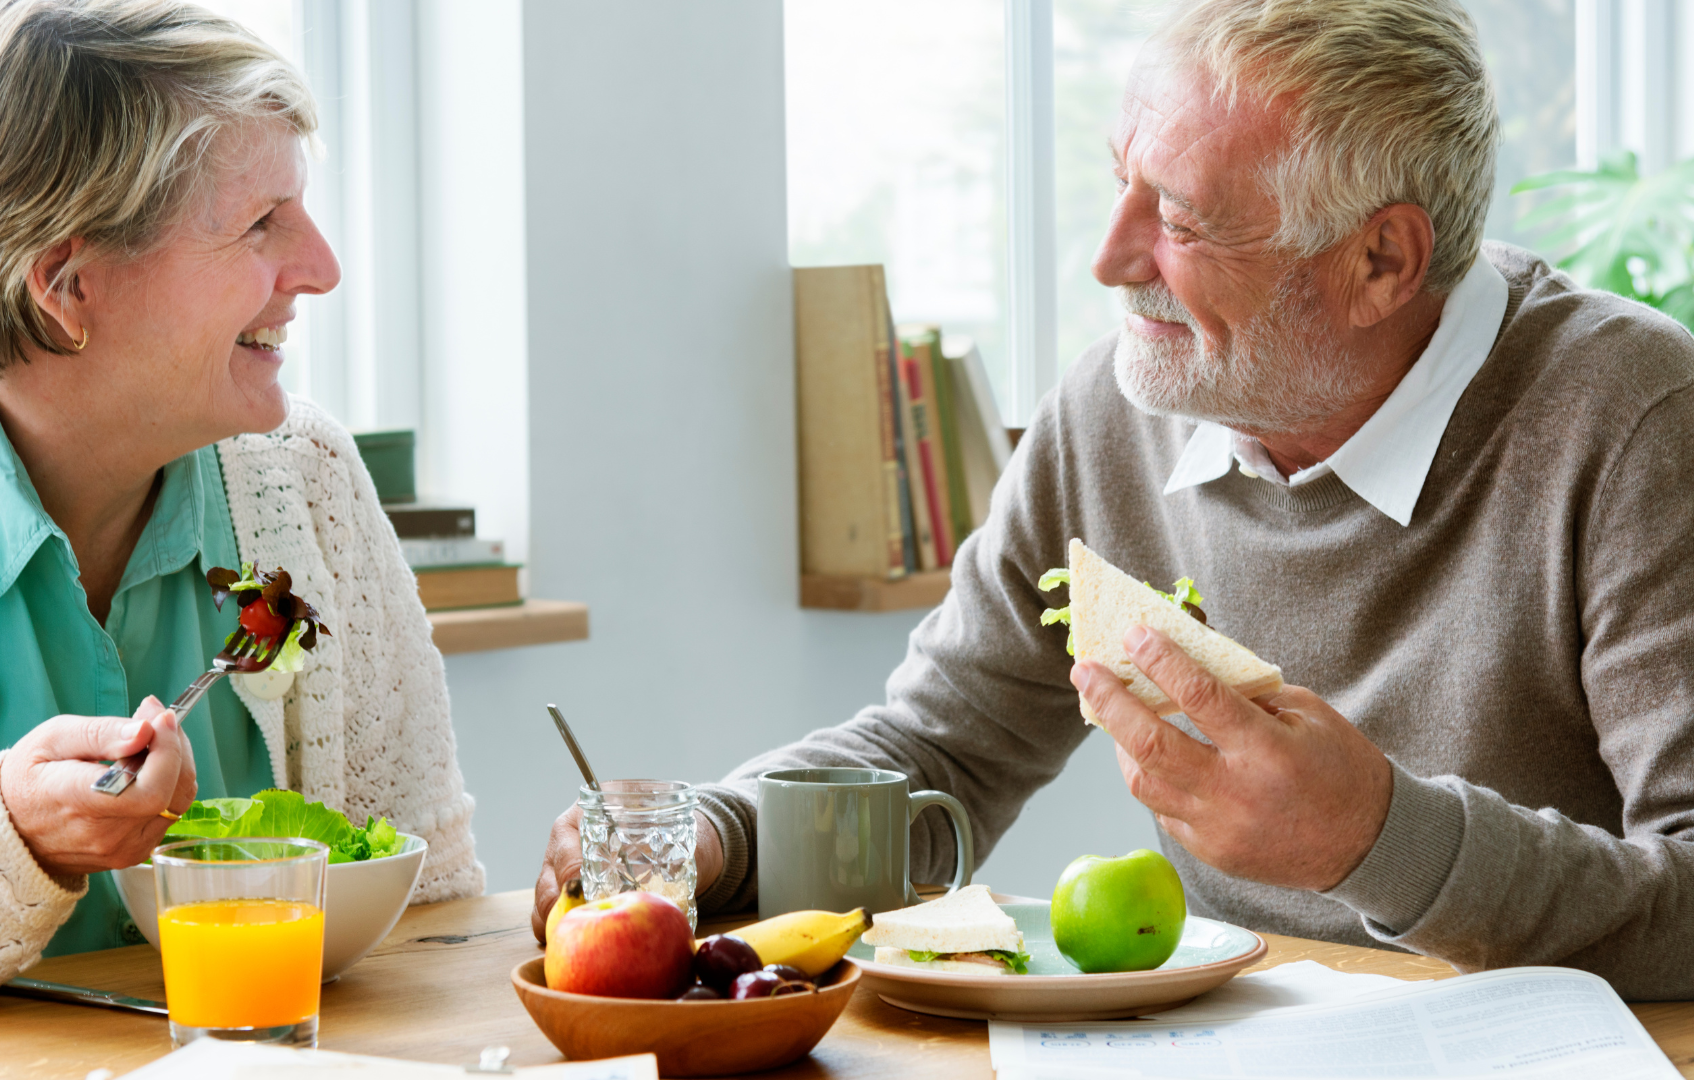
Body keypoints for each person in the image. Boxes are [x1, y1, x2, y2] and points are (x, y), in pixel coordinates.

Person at [535, 0, 1694, 999]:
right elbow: (943, 748)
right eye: (1117, 182)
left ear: (1381, 263)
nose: (1108, 256)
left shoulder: (1635, 418)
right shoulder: (1120, 405)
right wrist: (720, 830)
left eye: (1181, 218)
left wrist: (1374, 840)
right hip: (1233, 1043)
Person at [0, 0, 482, 1008]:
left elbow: (430, 907)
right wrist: (4, 831)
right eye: (259, 223)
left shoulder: (307, 479)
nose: (321, 267)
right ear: (67, 287)